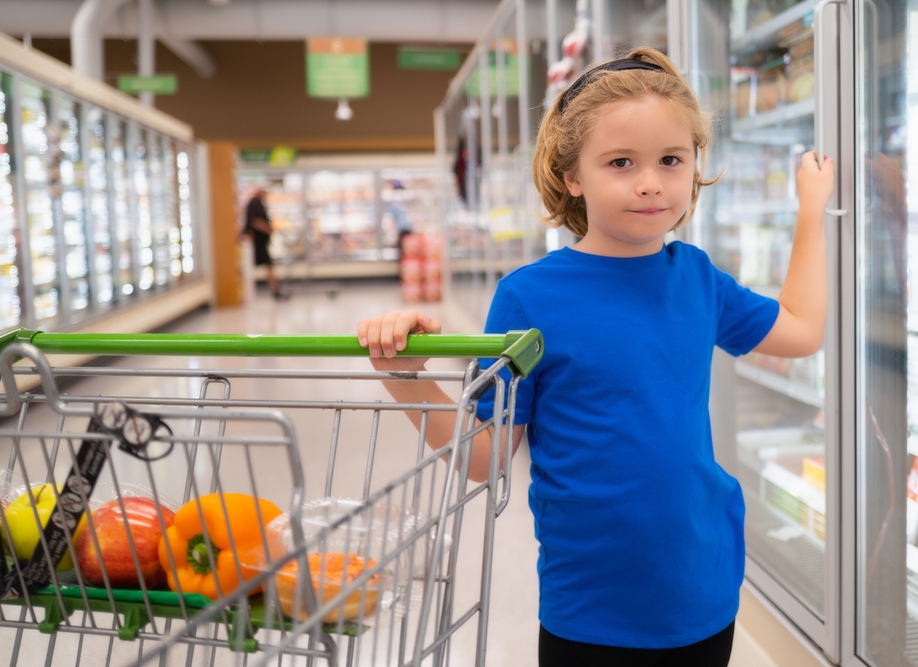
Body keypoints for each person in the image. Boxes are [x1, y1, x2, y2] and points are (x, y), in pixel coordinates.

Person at [356, 46, 834, 666]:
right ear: (572, 175)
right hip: (591, 611)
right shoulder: (528, 297)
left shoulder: (697, 277)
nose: (650, 181)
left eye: (671, 159)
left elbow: (799, 330)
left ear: (695, 165)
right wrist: (404, 377)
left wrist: (812, 211)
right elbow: (485, 454)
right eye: (620, 162)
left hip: (705, 586)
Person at [243, 188, 284, 299]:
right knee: (263, 265)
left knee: (268, 266)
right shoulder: (253, 204)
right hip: (256, 243)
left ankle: (275, 290)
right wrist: (269, 229)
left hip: (261, 243)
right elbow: (255, 222)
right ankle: (274, 290)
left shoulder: (260, 204)